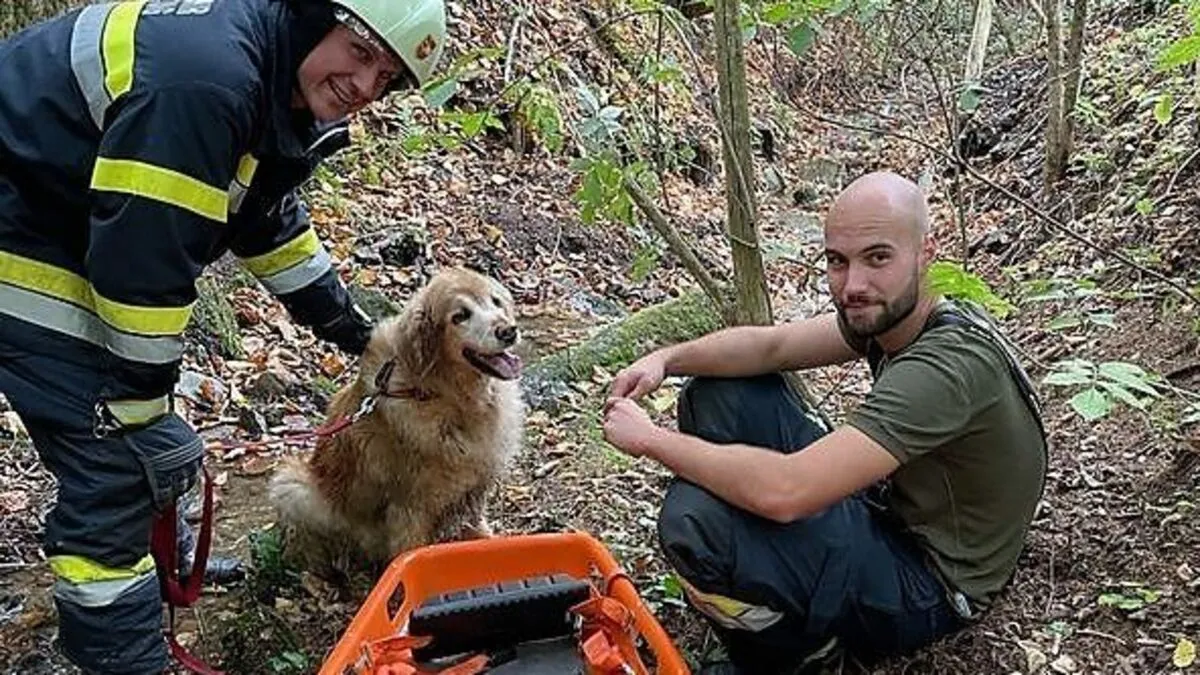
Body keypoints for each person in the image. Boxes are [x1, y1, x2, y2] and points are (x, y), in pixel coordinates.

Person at [0, 0, 446, 672]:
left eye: (384, 77)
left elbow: (265, 221)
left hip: (67, 221)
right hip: (27, 230)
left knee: (142, 413)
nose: (363, 85)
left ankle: (161, 554)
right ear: (313, 17)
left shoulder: (273, 84)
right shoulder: (207, 82)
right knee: (118, 450)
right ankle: (123, 655)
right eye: (359, 51)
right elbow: (141, 269)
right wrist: (141, 410)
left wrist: (350, 327)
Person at [602, 172, 1047, 674]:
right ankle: (768, 576)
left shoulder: (945, 367)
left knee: (695, 522)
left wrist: (651, 440)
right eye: (838, 261)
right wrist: (665, 358)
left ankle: (802, 656)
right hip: (894, 512)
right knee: (719, 393)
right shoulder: (896, 313)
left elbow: (789, 490)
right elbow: (771, 347)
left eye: (878, 257)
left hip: (934, 584)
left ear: (926, 253)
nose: (853, 285)